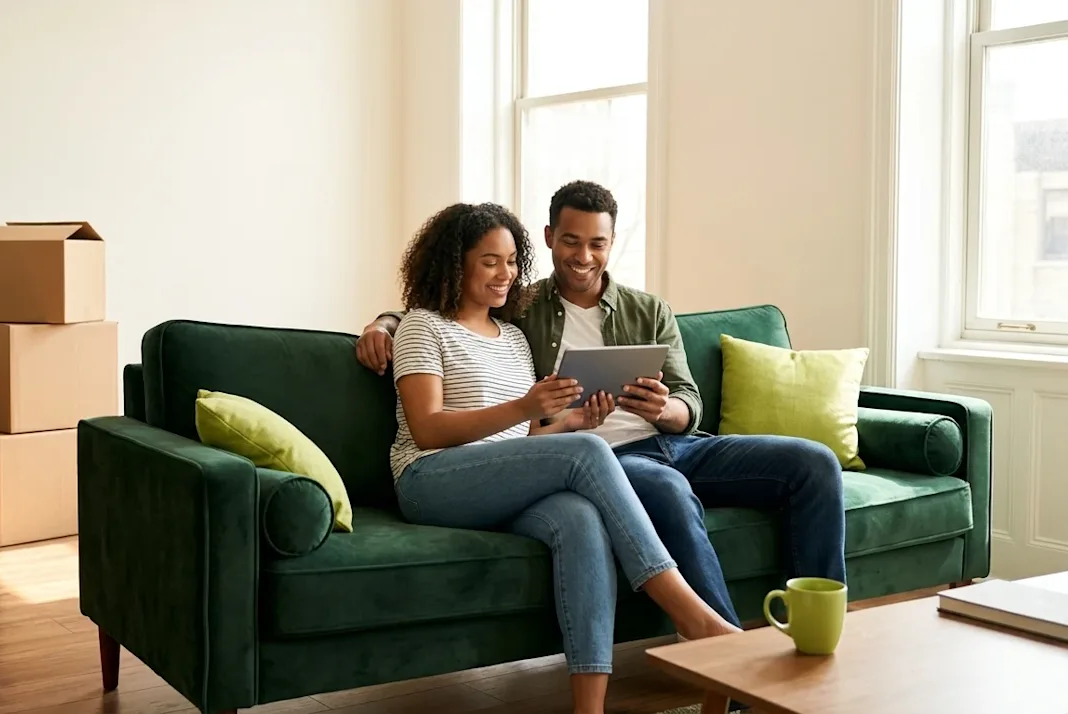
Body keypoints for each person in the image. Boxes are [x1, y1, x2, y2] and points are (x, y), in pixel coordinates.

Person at [358, 181, 847, 630]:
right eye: (571, 241)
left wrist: (665, 409)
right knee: (669, 490)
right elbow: (449, 307)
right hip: (609, 460)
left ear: (611, 244)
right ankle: (721, 655)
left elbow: (689, 402)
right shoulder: (521, 309)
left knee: (814, 463)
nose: (583, 256)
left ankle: (813, 629)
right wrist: (383, 323)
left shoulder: (648, 310)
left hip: (677, 443)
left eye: (597, 243)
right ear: (550, 237)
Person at [388, 201, 739, 714]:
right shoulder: (423, 327)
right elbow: (427, 428)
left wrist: (573, 421)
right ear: (453, 262)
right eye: (489, 261)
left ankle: (588, 707)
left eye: (511, 261)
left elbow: (529, 435)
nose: (505, 273)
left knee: (580, 518)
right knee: (587, 456)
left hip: (498, 481)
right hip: (430, 479)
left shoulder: (511, 336)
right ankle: (690, 613)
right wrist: (528, 407)